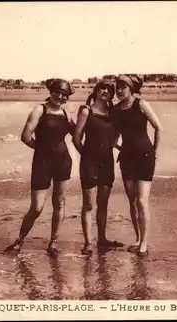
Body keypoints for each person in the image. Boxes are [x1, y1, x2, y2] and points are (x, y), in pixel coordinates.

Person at [3, 78, 75, 257]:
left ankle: (53, 243)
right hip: (42, 163)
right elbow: (26, 136)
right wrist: (43, 148)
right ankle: (19, 241)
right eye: (57, 92)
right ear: (51, 92)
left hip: (63, 162)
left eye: (64, 94)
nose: (60, 97)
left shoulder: (66, 113)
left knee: (59, 203)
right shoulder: (39, 110)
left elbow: (77, 133)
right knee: (37, 207)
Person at [112, 74, 163, 257]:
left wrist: (155, 152)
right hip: (127, 159)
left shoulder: (141, 104)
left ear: (131, 88)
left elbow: (158, 127)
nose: (119, 90)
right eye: (117, 87)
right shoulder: (116, 109)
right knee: (132, 202)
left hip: (144, 157)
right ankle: (137, 239)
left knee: (142, 201)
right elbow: (114, 135)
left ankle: (144, 243)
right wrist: (118, 147)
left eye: (123, 87)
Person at [72, 80, 124, 255]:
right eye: (102, 88)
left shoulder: (113, 113)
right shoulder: (86, 111)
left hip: (107, 162)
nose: (105, 92)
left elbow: (116, 134)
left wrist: (111, 145)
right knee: (88, 205)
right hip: (89, 163)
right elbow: (76, 138)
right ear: (95, 91)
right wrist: (87, 155)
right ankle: (88, 243)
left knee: (103, 203)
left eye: (109, 90)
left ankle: (102, 239)